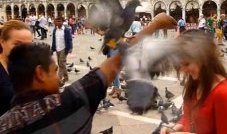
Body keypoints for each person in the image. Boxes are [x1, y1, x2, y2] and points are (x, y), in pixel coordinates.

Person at [0, 13, 176, 133]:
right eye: (54, 72)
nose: (58, 78)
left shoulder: (4, 124)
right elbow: (116, 62)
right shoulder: (70, 102)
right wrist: (154, 25)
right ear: (40, 74)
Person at [160, 29, 227, 134]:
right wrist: (175, 128)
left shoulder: (223, 93)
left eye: (186, 64)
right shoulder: (195, 82)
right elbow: (189, 118)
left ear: (203, 58)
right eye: (180, 65)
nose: (183, 70)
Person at [0, 20, 33, 116]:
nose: (24, 50)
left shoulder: (28, 66)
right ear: (2, 42)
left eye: (28, 45)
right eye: (17, 44)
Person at [51, 17, 73, 86]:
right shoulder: (55, 30)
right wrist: (52, 48)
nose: (58, 22)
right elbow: (54, 40)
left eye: (60, 21)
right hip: (58, 48)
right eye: (57, 21)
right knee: (62, 64)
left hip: (64, 48)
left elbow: (69, 39)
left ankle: (59, 79)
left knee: (61, 64)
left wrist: (70, 48)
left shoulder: (66, 30)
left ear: (62, 22)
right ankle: (66, 77)